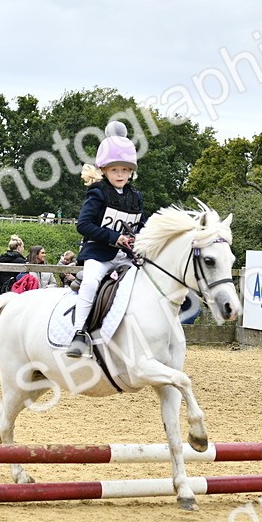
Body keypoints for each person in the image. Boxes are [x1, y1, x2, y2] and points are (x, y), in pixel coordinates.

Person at [67, 120, 144, 357]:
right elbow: (83, 225)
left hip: (127, 257)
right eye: (114, 170)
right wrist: (114, 237)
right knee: (91, 283)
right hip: (99, 255)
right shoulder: (98, 192)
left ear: (131, 171)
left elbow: (141, 224)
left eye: (125, 170)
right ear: (104, 170)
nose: (120, 175)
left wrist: (139, 239)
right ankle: (79, 333)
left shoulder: (136, 196)